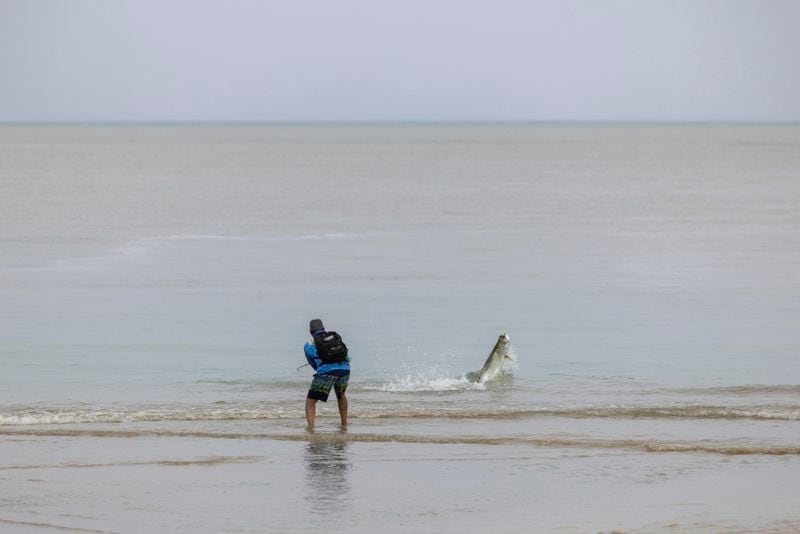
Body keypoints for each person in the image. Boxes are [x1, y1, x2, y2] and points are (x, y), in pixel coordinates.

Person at [304, 319, 350, 430]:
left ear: (311, 332)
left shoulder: (309, 344)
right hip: (345, 369)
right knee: (341, 395)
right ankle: (344, 425)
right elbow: (348, 356)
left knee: (310, 401)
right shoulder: (335, 338)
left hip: (326, 371)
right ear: (324, 328)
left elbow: (313, 364)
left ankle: (311, 428)